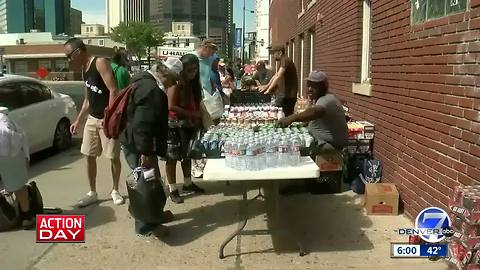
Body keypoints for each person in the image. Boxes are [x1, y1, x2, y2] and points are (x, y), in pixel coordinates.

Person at [120, 58, 180, 236]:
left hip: (131, 139)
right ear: (166, 74)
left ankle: (154, 217)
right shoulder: (152, 90)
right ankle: (146, 225)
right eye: (174, 78)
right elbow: (143, 123)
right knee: (144, 185)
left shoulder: (141, 80)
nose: (174, 83)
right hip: (139, 143)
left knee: (147, 182)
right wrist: (145, 152)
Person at [64, 38, 123, 207]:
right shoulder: (84, 70)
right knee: (88, 156)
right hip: (92, 119)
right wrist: (78, 121)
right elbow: (87, 99)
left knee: (113, 157)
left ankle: (115, 190)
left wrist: (110, 118)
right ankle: (92, 192)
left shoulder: (100, 62)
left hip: (106, 119)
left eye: (69, 56)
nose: (68, 60)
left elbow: (113, 91)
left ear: (77, 52)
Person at [165, 54, 205, 204]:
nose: (193, 73)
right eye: (190, 70)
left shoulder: (193, 83)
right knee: (172, 158)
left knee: (187, 154)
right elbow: (171, 106)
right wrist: (192, 114)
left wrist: (198, 117)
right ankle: (173, 189)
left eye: (195, 70)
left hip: (188, 123)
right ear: (182, 69)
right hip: (173, 124)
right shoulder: (176, 82)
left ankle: (188, 183)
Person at [277, 71, 348, 152]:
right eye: (309, 85)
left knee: (292, 151)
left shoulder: (326, 99)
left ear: (323, 87)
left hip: (330, 146)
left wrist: (291, 118)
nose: (310, 89)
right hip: (324, 142)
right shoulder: (322, 98)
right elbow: (315, 117)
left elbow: (315, 112)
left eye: (314, 86)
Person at [0, 109, 34, 229]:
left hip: (7, 148)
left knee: (14, 182)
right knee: (18, 184)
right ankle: (26, 217)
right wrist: (26, 157)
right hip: (9, 151)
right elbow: (18, 140)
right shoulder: (4, 119)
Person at [192, 39, 218, 178]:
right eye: (211, 51)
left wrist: (214, 88)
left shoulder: (209, 59)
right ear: (204, 47)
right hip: (196, 100)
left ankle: (202, 161)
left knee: (206, 132)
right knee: (197, 133)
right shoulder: (192, 58)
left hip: (206, 98)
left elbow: (209, 76)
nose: (212, 54)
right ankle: (195, 165)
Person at [260, 45, 299, 116]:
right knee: (282, 114)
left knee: (287, 116)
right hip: (286, 95)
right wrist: (266, 86)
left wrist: (269, 89)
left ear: (280, 53)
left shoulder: (285, 60)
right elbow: (275, 76)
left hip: (289, 95)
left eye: (274, 53)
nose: (273, 56)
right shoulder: (282, 61)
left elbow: (278, 76)